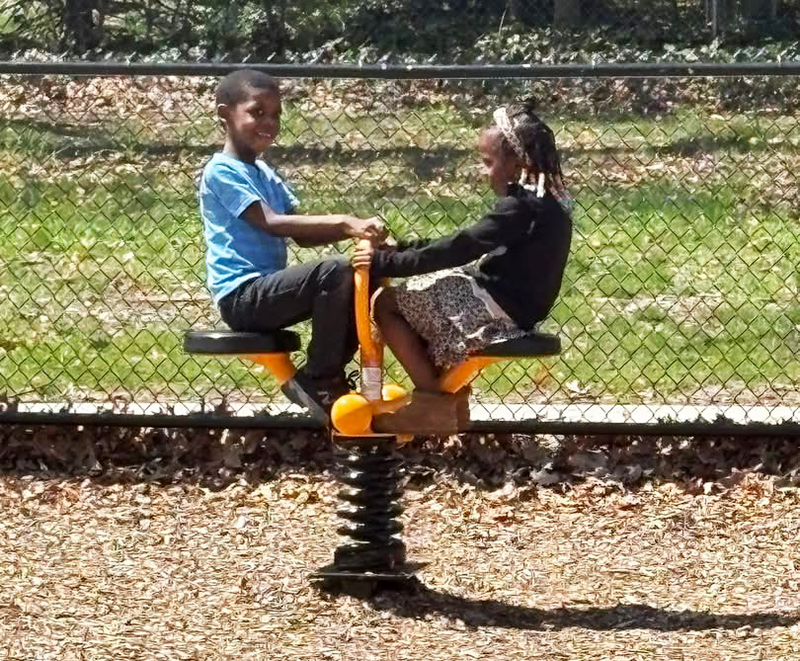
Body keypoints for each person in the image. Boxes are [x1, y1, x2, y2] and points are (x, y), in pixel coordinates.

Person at [198, 69, 385, 424]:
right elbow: (270, 222)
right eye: (257, 112)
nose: (269, 122)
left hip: (266, 290)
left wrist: (359, 235)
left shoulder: (265, 173)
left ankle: (329, 378)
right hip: (242, 297)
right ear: (225, 114)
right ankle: (319, 377)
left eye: (276, 114)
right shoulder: (221, 171)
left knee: (359, 275)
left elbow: (301, 233)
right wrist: (345, 222)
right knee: (335, 272)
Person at [354, 99, 572, 398]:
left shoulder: (521, 207)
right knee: (429, 288)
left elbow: (460, 248)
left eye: (487, 162)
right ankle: (446, 391)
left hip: (498, 308)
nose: (481, 171)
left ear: (517, 164)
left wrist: (385, 264)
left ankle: (432, 399)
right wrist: (401, 249)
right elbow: (460, 240)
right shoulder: (546, 201)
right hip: (514, 307)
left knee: (385, 304)